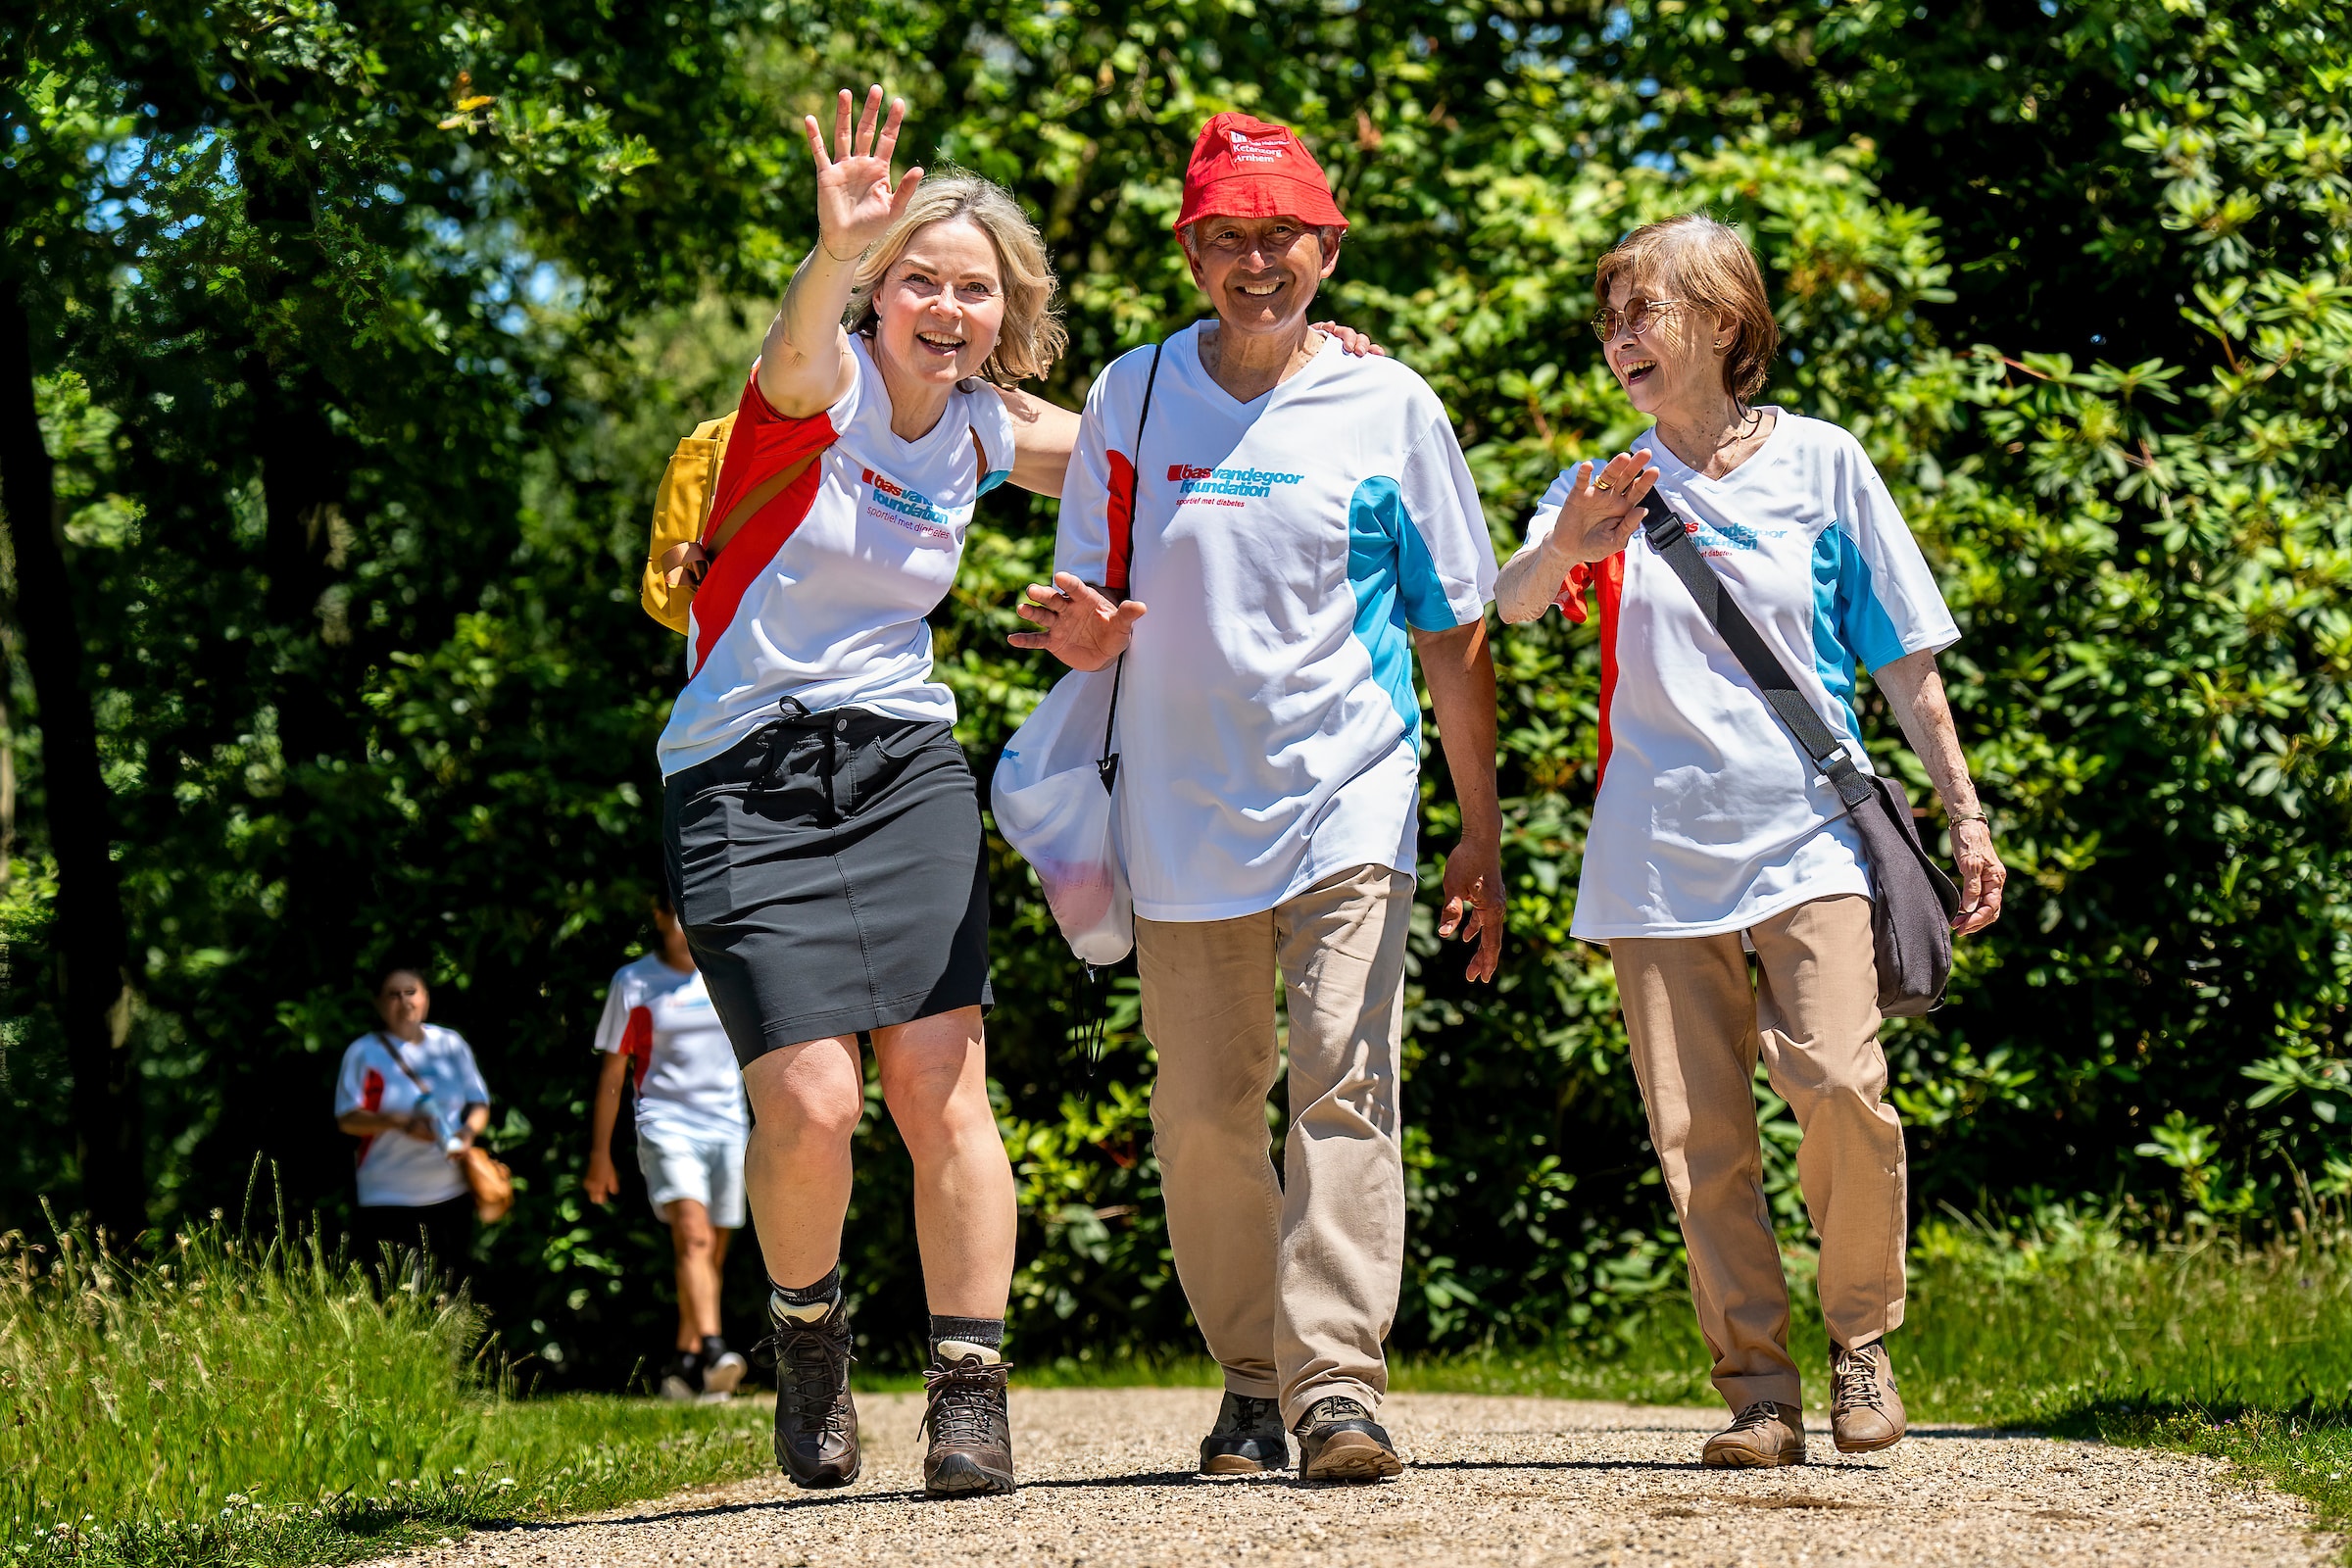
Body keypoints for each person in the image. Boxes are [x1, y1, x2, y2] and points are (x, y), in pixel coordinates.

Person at [660, 85, 1384, 1500]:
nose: (945, 305)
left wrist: (1300, 357)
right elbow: (800, 349)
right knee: (811, 1100)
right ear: (878, 295)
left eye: (973, 290)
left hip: (900, 761)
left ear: (1006, 316)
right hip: (740, 768)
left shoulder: (987, 429)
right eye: (917, 281)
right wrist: (835, 249)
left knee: (939, 1081)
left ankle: (968, 1393)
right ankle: (809, 1335)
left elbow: (1170, 429)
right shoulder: (820, 391)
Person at [1012, 112, 1502, 1485]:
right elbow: (1092, 595)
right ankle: (1249, 1379)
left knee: (1344, 1083)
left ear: (1328, 250)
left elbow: (1453, 628)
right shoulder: (1134, 395)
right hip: (1177, 814)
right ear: (1194, 251)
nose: (1256, 261)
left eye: (1282, 234)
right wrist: (1078, 629)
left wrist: (1482, 826)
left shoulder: (1390, 404)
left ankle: (1338, 1387)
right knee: (1206, 1112)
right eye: (1227, 235)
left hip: (1352, 791)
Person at [1493, 214, 2009, 1468]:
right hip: (1655, 851)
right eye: (1610, 320)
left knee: (1841, 1084)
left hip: (1812, 835)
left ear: (1725, 323)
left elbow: (1904, 657)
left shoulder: (1827, 462)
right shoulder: (1607, 483)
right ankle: (1760, 1392)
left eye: (1646, 313)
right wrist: (1573, 540)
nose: (1622, 338)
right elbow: (1503, 605)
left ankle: (1861, 1340)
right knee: (1701, 1136)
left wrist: (1965, 811)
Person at [585, 887, 751, 1402]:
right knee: (693, 1238)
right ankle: (716, 1350)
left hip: (727, 1124)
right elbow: (613, 1073)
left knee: (709, 1251)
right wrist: (600, 1154)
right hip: (666, 1123)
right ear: (659, 917)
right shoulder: (633, 982)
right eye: (678, 912)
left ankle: (682, 1368)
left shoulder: (729, 967)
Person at [334, 964, 491, 1283]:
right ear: (379, 1003)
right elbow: (347, 1119)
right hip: (387, 1198)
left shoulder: (449, 1044)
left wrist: (467, 1134)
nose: (404, 1002)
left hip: (451, 1193)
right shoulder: (363, 1053)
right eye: (394, 995)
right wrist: (400, 1122)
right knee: (396, 1297)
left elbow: (478, 1102)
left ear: (426, 998)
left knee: (451, 1292)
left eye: (411, 992)